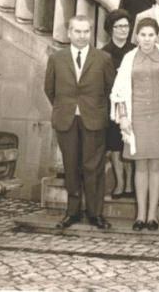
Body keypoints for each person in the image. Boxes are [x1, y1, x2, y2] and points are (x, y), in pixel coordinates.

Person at [44, 15, 116, 229]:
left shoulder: (103, 58)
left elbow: (110, 89)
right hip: (66, 119)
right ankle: (72, 212)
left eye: (86, 31)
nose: (82, 36)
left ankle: (95, 213)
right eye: (77, 31)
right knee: (71, 166)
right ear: (69, 33)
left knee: (93, 166)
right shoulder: (57, 58)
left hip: (94, 119)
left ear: (91, 33)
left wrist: (97, 110)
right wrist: (64, 107)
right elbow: (49, 89)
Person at [110, 17, 159, 231]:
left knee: (156, 165)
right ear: (136, 36)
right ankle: (140, 215)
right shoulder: (129, 58)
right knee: (140, 165)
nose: (147, 39)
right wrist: (123, 117)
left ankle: (152, 215)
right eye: (143, 35)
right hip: (136, 114)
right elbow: (119, 90)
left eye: (151, 35)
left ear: (156, 36)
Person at [101, 10, 135, 200]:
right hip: (112, 104)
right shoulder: (104, 52)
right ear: (110, 29)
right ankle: (120, 183)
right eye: (119, 26)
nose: (123, 30)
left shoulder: (135, 50)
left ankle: (130, 183)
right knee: (114, 144)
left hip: (132, 103)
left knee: (129, 143)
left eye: (126, 26)